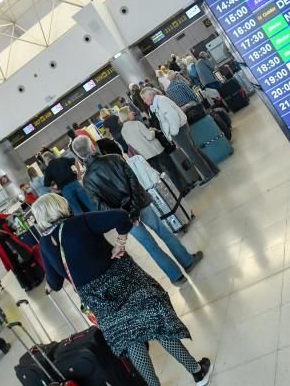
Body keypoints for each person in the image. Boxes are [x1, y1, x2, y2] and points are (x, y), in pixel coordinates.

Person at [32, 195, 212, 386]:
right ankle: (196, 371)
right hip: (123, 279)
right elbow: (121, 217)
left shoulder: (44, 244)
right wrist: (120, 243)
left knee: (130, 338)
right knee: (157, 326)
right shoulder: (81, 222)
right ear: (59, 207)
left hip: (97, 299)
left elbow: (55, 283)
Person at [71, 136, 202, 285]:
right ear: (93, 147)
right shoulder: (115, 158)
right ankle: (188, 262)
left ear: (78, 156)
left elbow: (101, 207)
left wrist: (125, 215)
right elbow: (133, 181)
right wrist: (133, 208)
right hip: (141, 205)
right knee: (163, 232)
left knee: (149, 246)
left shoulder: (87, 180)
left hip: (124, 220)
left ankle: (176, 277)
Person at [141, 87, 219, 185]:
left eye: (144, 98)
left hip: (179, 130)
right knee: (195, 150)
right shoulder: (158, 102)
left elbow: (172, 117)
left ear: (150, 95)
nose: (144, 101)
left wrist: (173, 132)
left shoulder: (161, 102)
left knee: (192, 154)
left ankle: (208, 174)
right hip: (180, 128)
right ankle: (212, 170)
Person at [118, 108, 187, 191]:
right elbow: (149, 137)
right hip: (156, 151)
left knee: (160, 176)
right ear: (126, 115)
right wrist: (152, 131)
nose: (132, 112)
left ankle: (173, 192)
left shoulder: (123, 131)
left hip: (145, 157)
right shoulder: (137, 123)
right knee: (171, 169)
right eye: (130, 112)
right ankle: (182, 189)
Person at [0, 209, 44, 292]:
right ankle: (35, 280)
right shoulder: (1, 220)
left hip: (4, 251)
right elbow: (14, 228)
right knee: (25, 262)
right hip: (14, 244)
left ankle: (26, 286)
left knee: (16, 268)